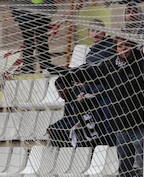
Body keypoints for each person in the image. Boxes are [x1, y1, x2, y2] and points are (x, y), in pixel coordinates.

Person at [59, 36, 144, 177]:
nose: (123, 49)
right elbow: (91, 72)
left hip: (141, 124)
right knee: (125, 169)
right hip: (121, 125)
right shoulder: (110, 65)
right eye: (120, 46)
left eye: (127, 46)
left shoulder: (142, 63)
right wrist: (68, 73)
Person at [48, 20, 115, 148]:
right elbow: (87, 72)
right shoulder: (92, 52)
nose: (95, 33)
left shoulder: (109, 46)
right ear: (88, 33)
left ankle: (100, 137)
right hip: (92, 88)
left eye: (98, 30)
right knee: (71, 95)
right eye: (92, 30)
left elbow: (97, 72)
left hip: (104, 90)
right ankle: (70, 124)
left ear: (104, 31)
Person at [11, 0, 54, 74]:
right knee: (38, 42)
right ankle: (43, 68)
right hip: (32, 15)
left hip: (31, 15)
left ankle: (31, 68)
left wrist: (15, 13)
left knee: (33, 42)